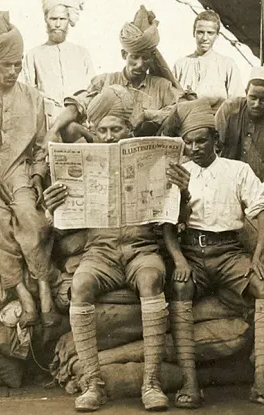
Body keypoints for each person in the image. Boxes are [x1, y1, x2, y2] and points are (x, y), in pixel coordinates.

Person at [43, 85, 172, 412]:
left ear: (129, 131)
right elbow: (63, 223)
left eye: (117, 129)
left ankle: (152, 382)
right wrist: (50, 205)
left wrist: (176, 188)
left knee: (151, 280)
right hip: (99, 252)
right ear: (94, 133)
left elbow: (173, 215)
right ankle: (93, 383)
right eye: (103, 130)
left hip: (140, 248)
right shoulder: (83, 164)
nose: (110, 136)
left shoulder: (146, 160)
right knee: (81, 285)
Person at [162, 99, 264, 408]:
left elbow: (262, 216)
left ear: (215, 140)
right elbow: (167, 226)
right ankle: (191, 384)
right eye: (189, 142)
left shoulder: (237, 170)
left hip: (230, 252)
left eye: (201, 140)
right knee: (179, 287)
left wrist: (258, 256)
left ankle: (261, 380)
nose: (194, 147)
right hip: (193, 251)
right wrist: (179, 260)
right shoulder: (179, 174)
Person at [0, 10, 60, 328]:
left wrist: (36, 175)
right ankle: (21, 291)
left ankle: (44, 285)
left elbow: (39, 148)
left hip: (18, 172)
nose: (13, 71)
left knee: (31, 219)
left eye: (18, 65)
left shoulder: (33, 97)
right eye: (7, 65)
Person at [47, 5, 180, 143]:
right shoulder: (104, 81)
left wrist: (147, 115)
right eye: (134, 57)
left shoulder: (162, 86)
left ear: (152, 58)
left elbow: (181, 110)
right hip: (104, 146)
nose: (140, 64)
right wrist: (52, 131)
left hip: (143, 152)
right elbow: (76, 105)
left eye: (145, 58)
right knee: (70, 128)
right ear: (124, 55)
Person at [214, 66, 264, 201]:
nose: (257, 104)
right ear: (246, 92)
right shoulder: (229, 109)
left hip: (250, 192)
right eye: (253, 97)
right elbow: (212, 148)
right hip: (219, 185)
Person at [22, 0, 94, 126]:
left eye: (62, 19)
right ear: (46, 19)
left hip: (80, 123)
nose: (58, 24)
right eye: (53, 19)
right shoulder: (33, 55)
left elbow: (91, 90)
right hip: (47, 123)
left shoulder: (82, 54)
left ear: (68, 20)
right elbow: (28, 93)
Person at [173, 10, 243, 110]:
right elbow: (171, 100)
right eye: (200, 32)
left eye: (210, 33)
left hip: (216, 123)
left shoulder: (227, 65)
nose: (205, 38)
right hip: (186, 122)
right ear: (194, 33)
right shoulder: (180, 65)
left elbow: (237, 104)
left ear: (217, 35)